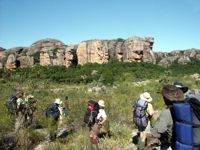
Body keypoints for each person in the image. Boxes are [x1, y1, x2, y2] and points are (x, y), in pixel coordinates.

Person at [146, 85, 184, 150]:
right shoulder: (186, 106)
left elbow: (155, 132)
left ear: (165, 98)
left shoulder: (167, 112)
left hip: (176, 142)